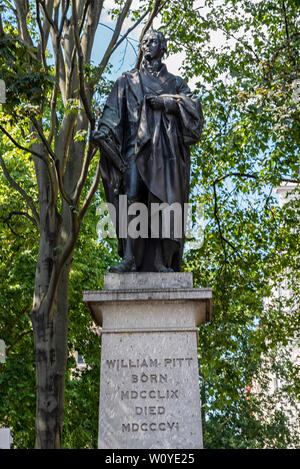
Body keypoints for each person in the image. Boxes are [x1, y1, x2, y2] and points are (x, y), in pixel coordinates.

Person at [90, 30, 203, 272]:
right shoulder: (127, 81)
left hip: (165, 155)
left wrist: (169, 103)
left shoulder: (175, 83)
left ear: (163, 48)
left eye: (152, 41)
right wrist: (103, 132)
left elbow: (194, 112)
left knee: (162, 203)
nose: (146, 45)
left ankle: (160, 261)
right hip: (134, 149)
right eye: (144, 42)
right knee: (132, 198)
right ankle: (130, 258)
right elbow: (110, 116)